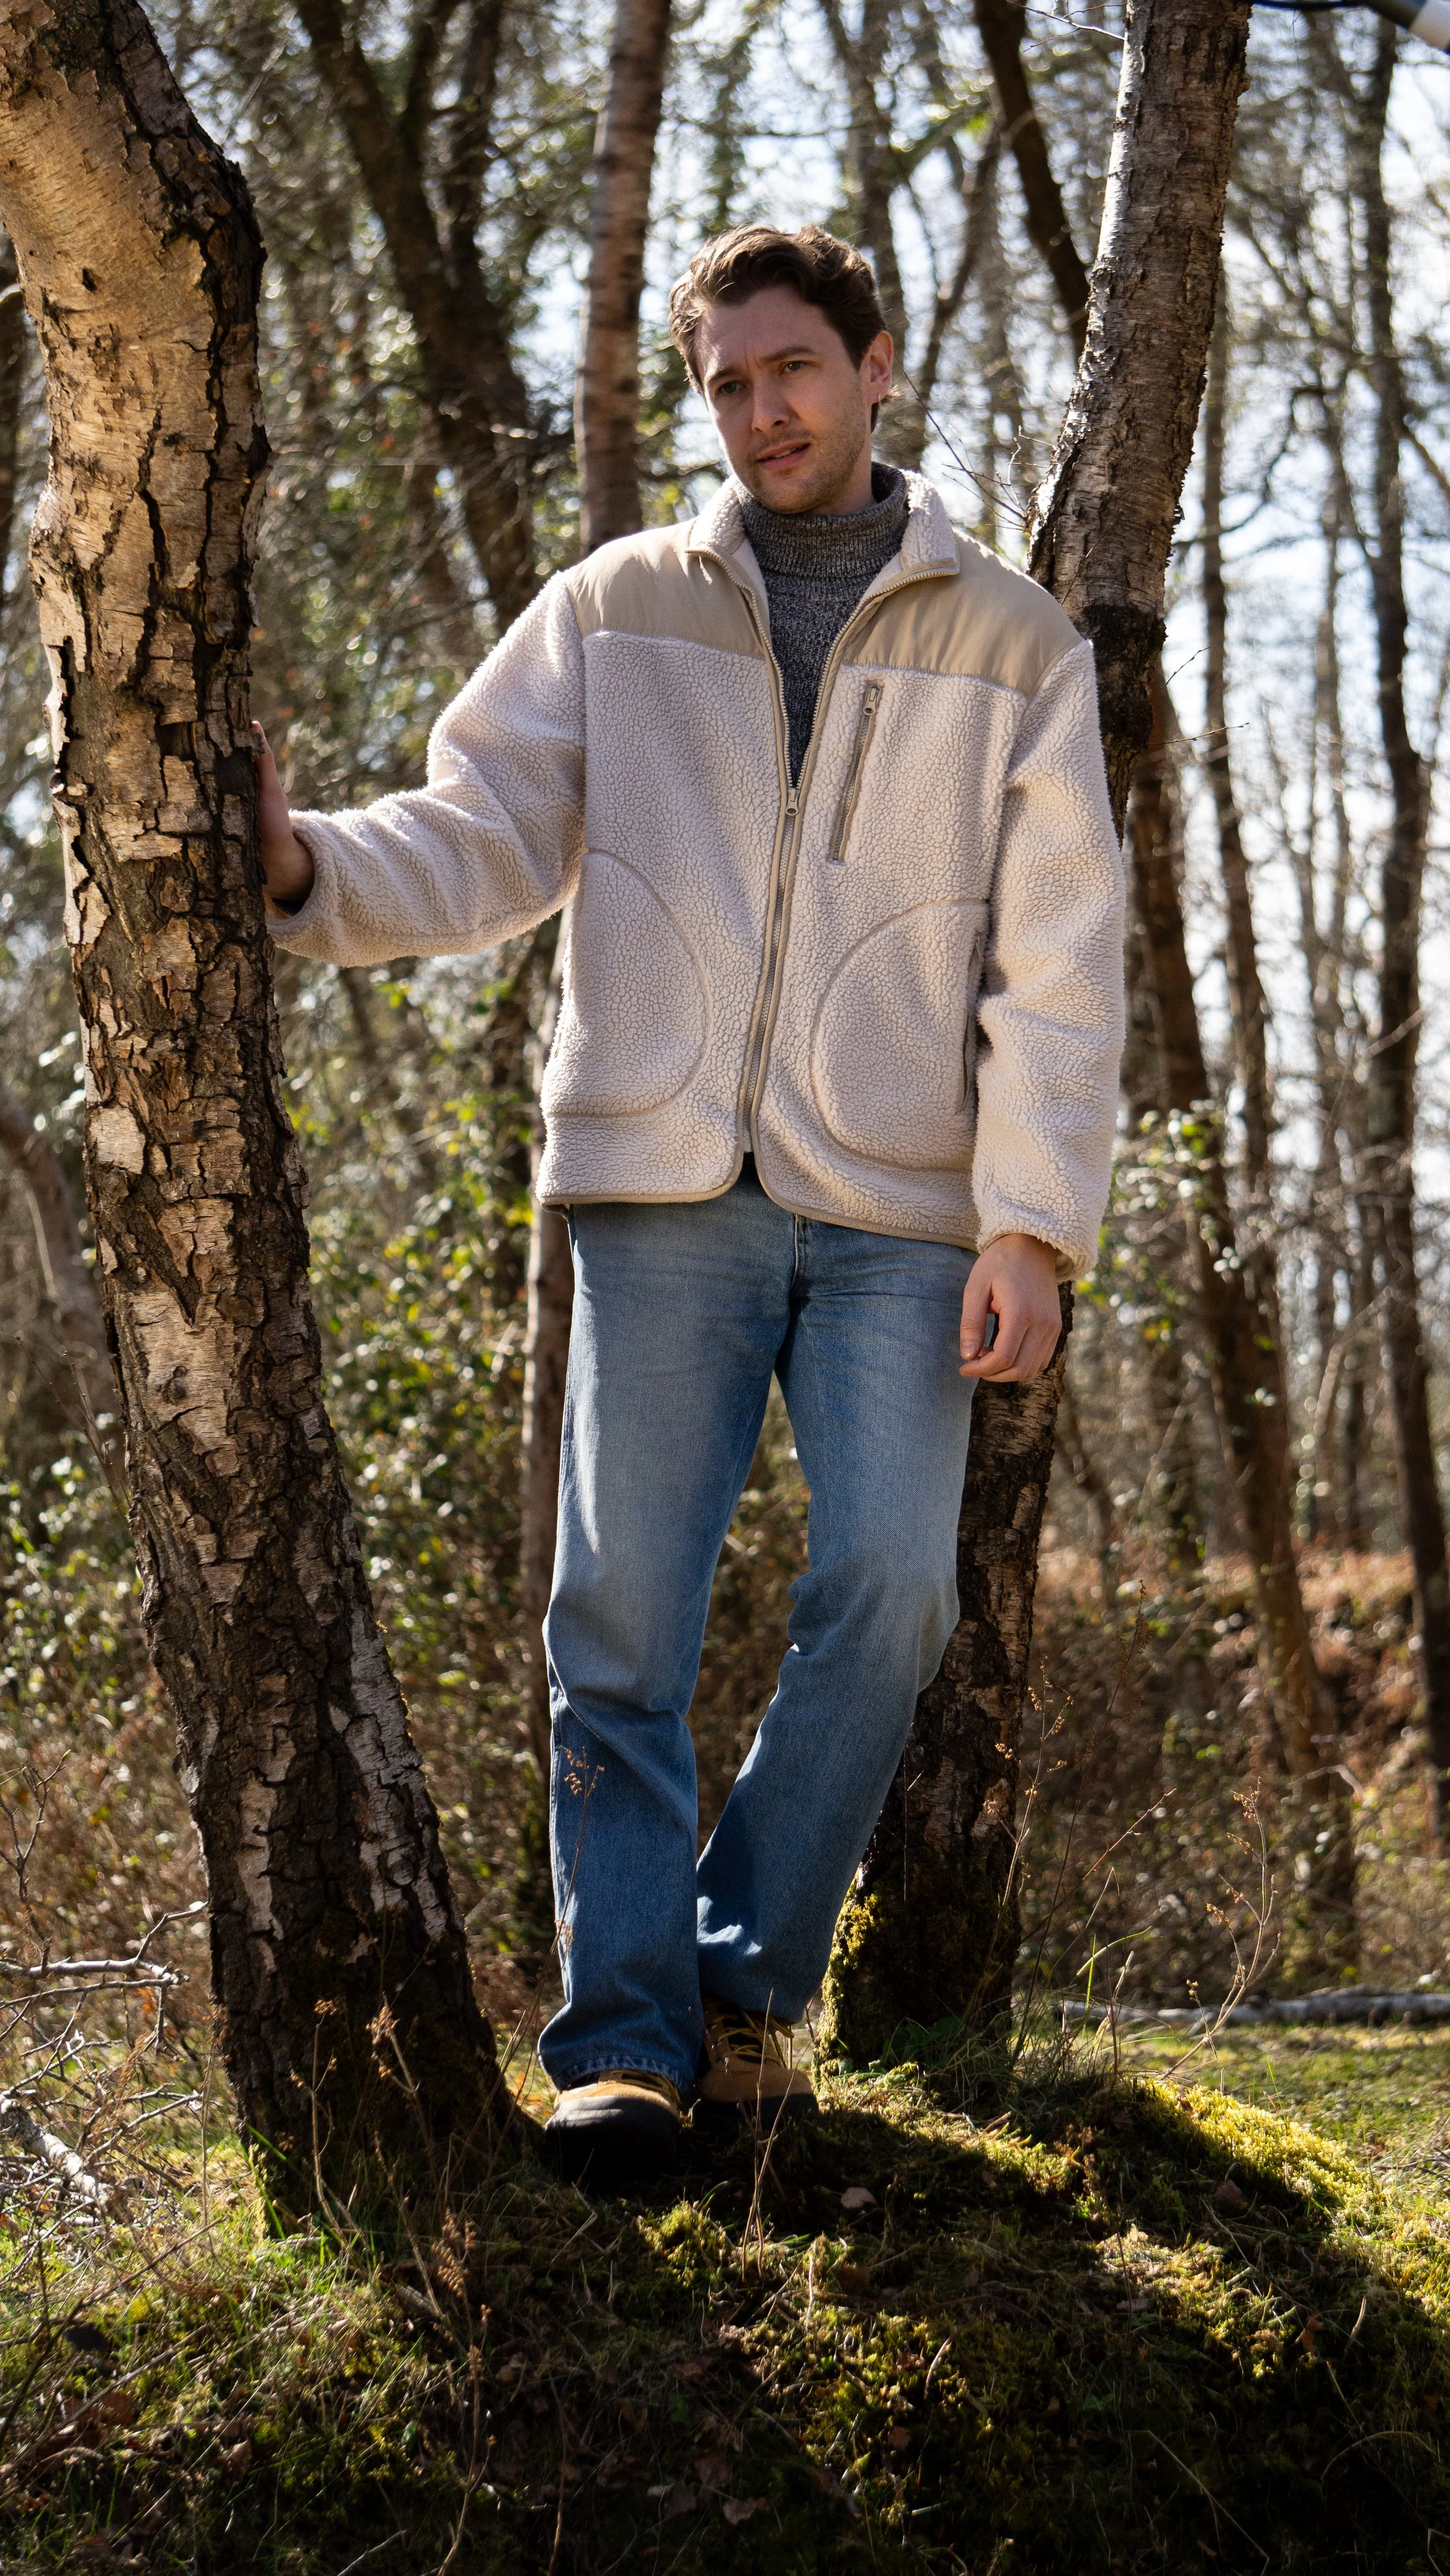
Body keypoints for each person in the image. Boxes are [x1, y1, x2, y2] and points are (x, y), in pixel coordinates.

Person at [256, 223, 1125, 2188]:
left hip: (903, 1210)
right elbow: (482, 830)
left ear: (878, 364)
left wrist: (1030, 1221)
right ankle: (632, 2050)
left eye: (791, 370)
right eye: (725, 383)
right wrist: (303, 865)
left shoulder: (1008, 640)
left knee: (892, 1594)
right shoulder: (619, 607)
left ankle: (742, 1986)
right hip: (659, 1185)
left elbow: (1058, 967)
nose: (760, 412)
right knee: (616, 1624)